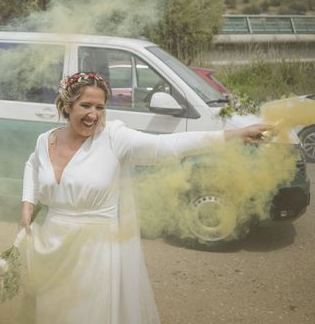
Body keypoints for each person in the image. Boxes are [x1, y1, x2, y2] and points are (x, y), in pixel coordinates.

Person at [18, 71, 268, 324]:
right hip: (52, 243)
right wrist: (27, 204)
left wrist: (233, 135)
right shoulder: (46, 139)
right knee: (51, 312)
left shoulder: (114, 138)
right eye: (85, 105)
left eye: (100, 107)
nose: (93, 114)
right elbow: (33, 165)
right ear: (67, 105)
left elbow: (167, 146)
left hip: (94, 251)